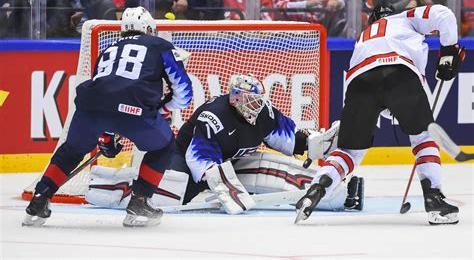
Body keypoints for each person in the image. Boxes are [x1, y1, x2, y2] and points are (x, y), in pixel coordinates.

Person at [85, 74, 364, 215]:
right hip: (186, 162)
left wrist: (315, 144)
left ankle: (338, 193)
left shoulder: (263, 112)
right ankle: (107, 184)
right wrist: (225, 188)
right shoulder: (214, 115)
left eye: (259, 101)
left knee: (276, 170)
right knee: (168, 194)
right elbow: (200, 158)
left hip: (229, 163)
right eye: (251, 101)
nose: (257, 106)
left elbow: (288, 138)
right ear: (237, 99)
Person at [295, 4, 465, 225]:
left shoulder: (363, 38)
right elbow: (443, 14)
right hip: (400, 72)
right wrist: (449, 51)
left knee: (349, 151)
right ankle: (434, 199)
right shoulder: (405, 18)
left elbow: (374, 94)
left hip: (359, 82)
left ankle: (315, 190)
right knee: (423, 137)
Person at [22, 7, 193, 227]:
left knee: (71, 151)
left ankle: (40, 198)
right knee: (164, 147)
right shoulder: (161, 45)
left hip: (89, 108)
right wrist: (163, 110)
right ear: (149, 29)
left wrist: (106, 136)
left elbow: (107, 95)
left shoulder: (108, 50)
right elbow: (184, 92)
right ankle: (140, 201)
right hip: (134, 111)